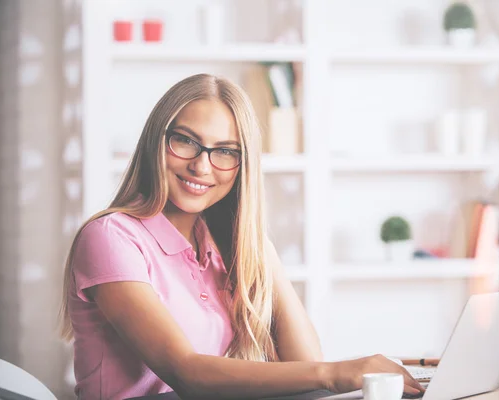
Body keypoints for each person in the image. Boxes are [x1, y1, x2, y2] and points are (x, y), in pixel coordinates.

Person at [58, 73, 424, 399]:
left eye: (225, 152)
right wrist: (339, 372)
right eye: (186, 141)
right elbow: (188, 374)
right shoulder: (111, 237)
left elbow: (307, 365)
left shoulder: (216, 246)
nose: (201, 166)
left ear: (242, 167)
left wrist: (256, 243)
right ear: (157, 141)